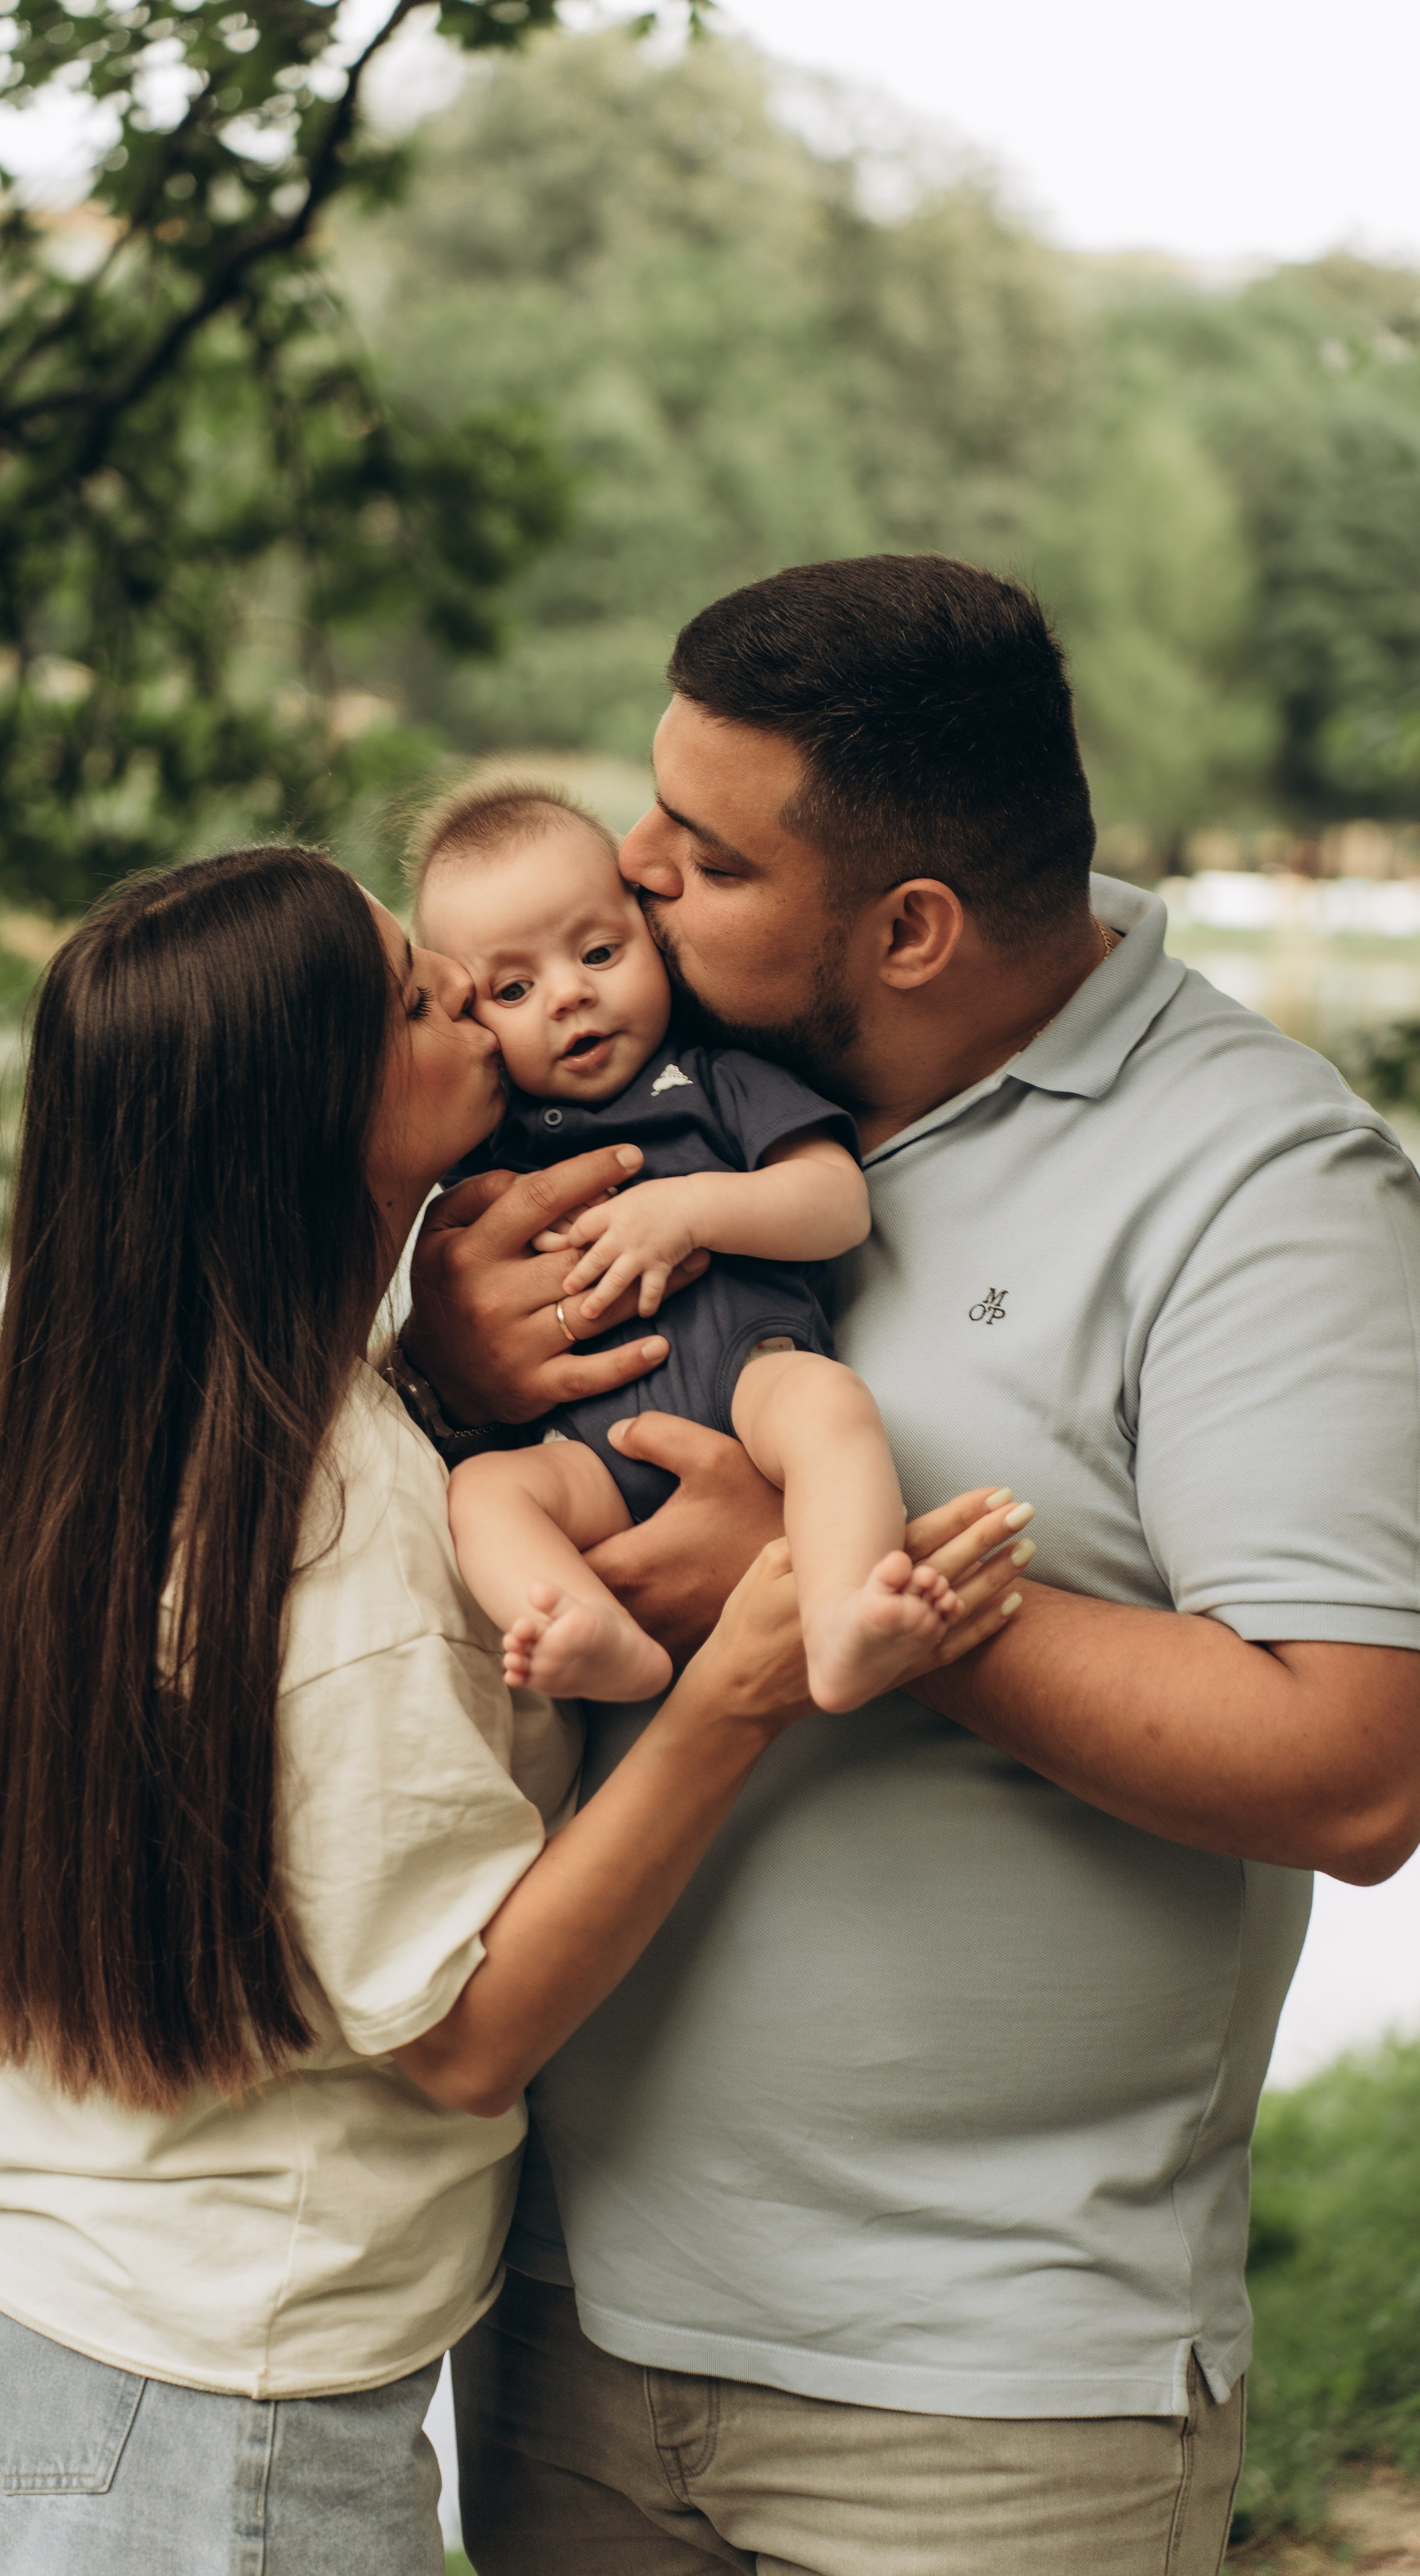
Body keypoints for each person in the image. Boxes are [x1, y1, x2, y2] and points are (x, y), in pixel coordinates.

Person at [394, 555, 1420, 2576]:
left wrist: (833, 1595)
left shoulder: (1263, 1186)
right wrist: (443, 1369)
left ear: (911, 925)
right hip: (557, 2323)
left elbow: (1360, 1772)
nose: (629, 869)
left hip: (978, 2397)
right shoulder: (633, 1092)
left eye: (697, 852)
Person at [0, 841, 1024, 2576]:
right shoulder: (348, 1540)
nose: (486, 1016)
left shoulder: (124, 1406)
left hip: (49, 2290)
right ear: (318, 1113)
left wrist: (434, 1367)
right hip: (223, 2401)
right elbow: (465, 2037)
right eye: (423, 999)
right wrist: (734, 1691)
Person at [413, 778, 967, 1710]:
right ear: (471, 1013)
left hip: (749, 1380)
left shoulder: (715, 1079)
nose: (569, 996)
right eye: (514, 987)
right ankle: (589, 1629)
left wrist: (692, 1210)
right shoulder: (491, 1136)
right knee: (486, 1495)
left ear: (651, 936)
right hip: (591, 1438)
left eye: (598, 951)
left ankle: (843, 1622)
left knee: (832, 1411)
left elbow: (835, 1204)